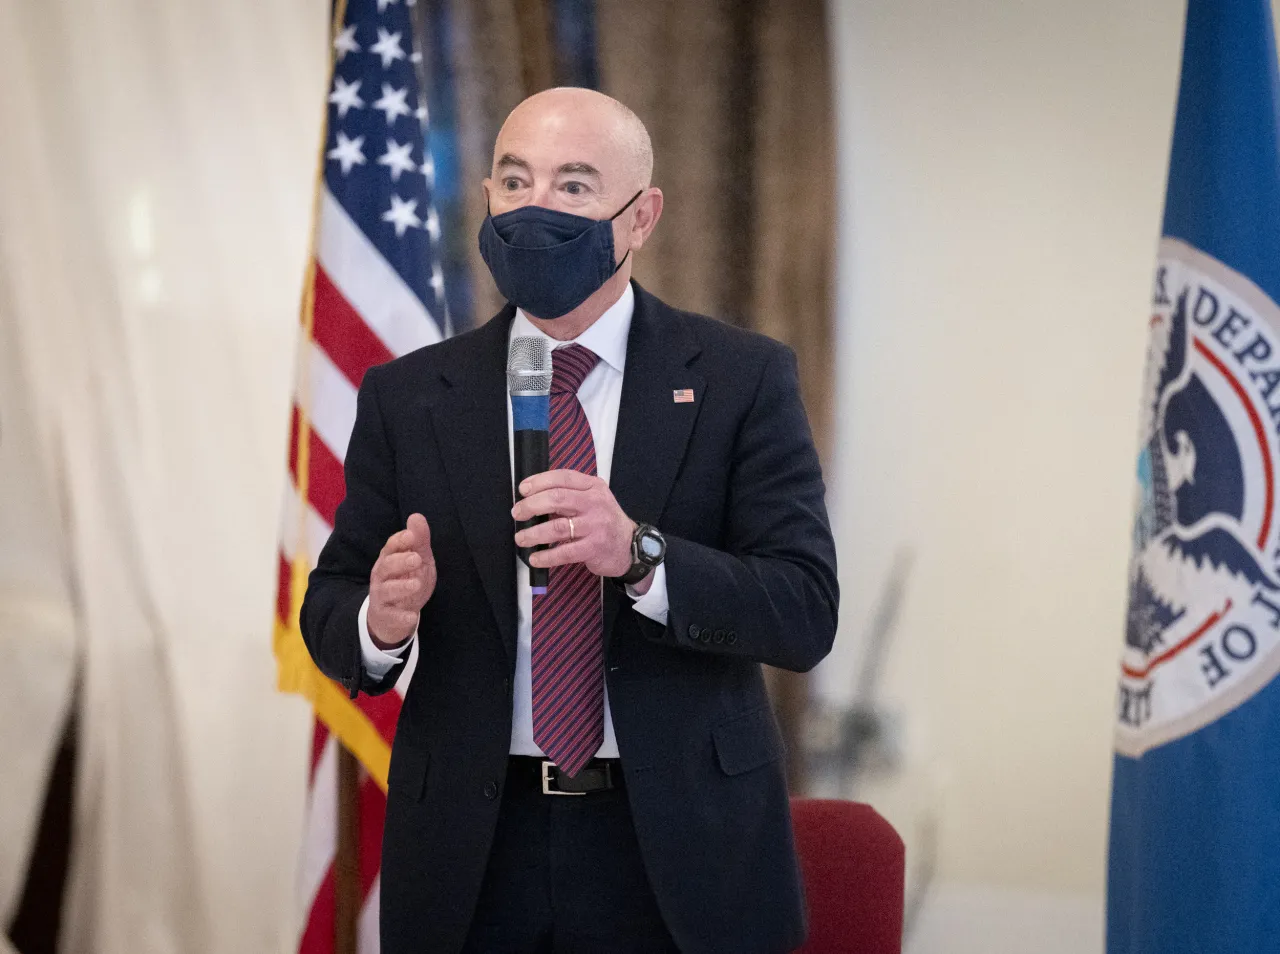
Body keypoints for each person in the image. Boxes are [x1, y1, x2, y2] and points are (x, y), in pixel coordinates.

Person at [301, 86, 838, 954]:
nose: (536, 210)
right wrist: (378, 618)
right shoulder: (410, 397)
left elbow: (805, 610)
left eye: (575, 187)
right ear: (486, 199)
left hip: (675, 847)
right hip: (476, 852)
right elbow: (332, 600)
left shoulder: (743, 379)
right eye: (515, 182)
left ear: (641, 217)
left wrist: (640, 554)